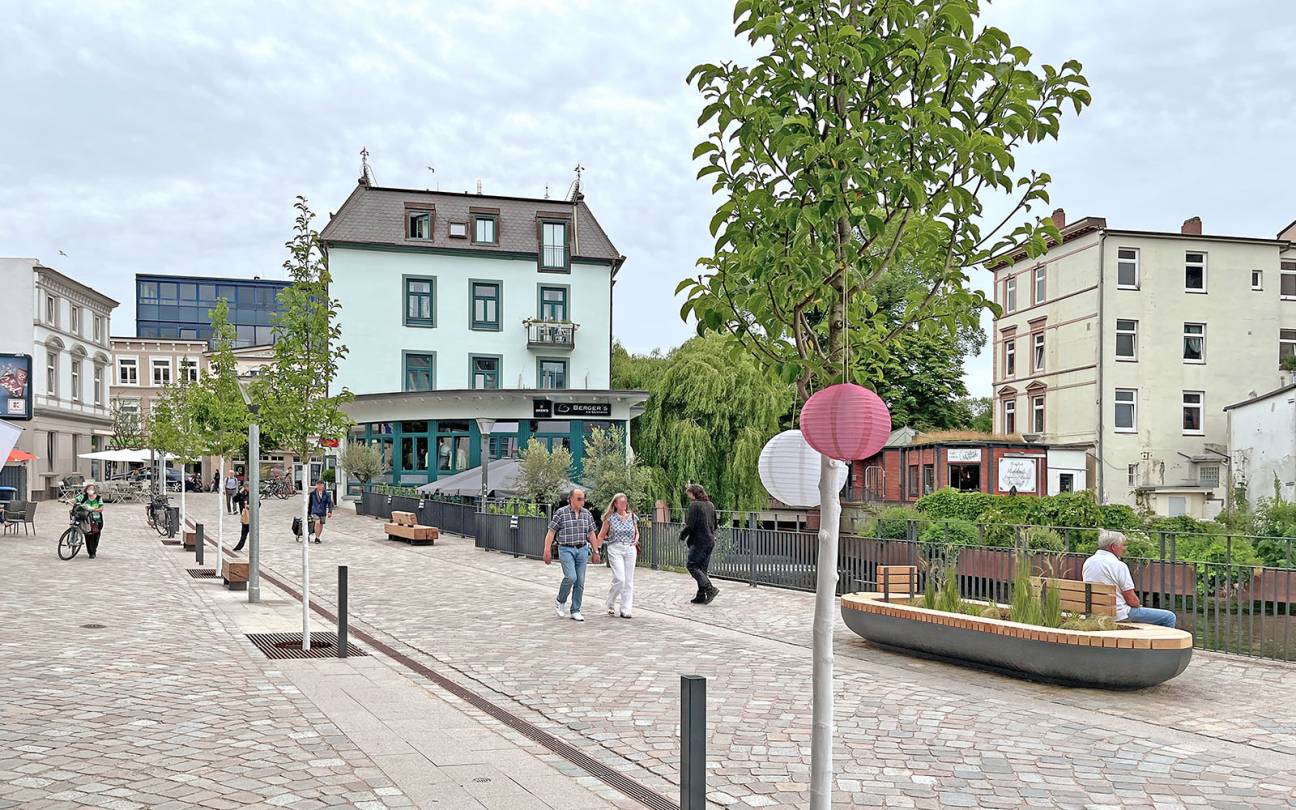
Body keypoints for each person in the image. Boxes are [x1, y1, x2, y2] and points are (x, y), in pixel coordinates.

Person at [1082, 530, 1177, 627]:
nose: (1124, 548)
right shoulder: (1118, 566)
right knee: (1169, 617)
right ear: (1113, 547)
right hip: (1118, 614)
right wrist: (1138, 605)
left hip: (1095, 612)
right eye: (1123, 545)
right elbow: (1132, 600)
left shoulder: (1089, 562)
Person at [543, 488, 600, 622]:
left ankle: (575, 609)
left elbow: (591, 533)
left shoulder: (587, 514)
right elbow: (551, 532)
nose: (582, 501)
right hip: (566, 549)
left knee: (580, 581)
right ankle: (560, 600)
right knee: (571, 577)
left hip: (582, 549)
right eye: (579, 499)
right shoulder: (561, 513)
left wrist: (596, 551)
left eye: (583, 498)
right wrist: (547, 550)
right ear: (571, 499)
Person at [598, 492, 640, 619]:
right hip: (615, 547)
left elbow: (636, 532)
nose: (624, 504)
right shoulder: (610, 518)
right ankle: (610, 601)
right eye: (621, 502)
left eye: (625, 502)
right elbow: (601, 535)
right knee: (620, 578)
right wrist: (597, 550)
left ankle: (626, 609)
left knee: (628, 580)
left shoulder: (633, 517)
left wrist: (636, 539)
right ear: (615, 504)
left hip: (629, 548)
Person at [681, 484, 719, 604]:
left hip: (699, 541)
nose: (688, 496)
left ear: (694, 493)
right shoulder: (710, 505)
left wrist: (682, 535)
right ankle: (701, 595)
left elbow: (690, 525)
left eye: (689, 494)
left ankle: (710, 588)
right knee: (702, 569)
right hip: (710, 541)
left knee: (692, 565)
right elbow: (715, 524)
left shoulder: (694, 505)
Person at [74, 483, 104, 559]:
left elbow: (101, 509)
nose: (90, 490)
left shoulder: (98, 498)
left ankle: (94, 550)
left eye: (92, 489)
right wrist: (67, 501)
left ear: (95, 490)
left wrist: (93, 509)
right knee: (88, 535)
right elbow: (75, 499)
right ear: (86, 490)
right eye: (89, 489)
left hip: (97, 519)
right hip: (87, 519)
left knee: (96, 536)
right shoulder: (83, 497)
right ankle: (91, 552)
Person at [232, 483, 251, 552]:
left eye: (247, 487)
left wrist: (250, 506)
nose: (247, 488)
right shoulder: (242, 495)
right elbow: (235, 499)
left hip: (251, 517)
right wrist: (239, 492)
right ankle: (238, 547)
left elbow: (258, 504)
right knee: (244, 533)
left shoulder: (252, 495)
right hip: (244, 517)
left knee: (251, 533)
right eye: (245, 487)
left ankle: (253, 547)